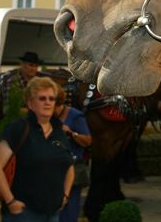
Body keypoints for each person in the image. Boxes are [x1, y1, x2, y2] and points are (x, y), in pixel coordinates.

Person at [0, 76, 74, 222]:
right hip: (23, 213)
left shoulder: (59, 131)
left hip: (53, 213)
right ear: (30, 103)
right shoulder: (18, 128)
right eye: (42, 98)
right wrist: (10, 202)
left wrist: (65, 194)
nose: (48, 102)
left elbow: (69, 166)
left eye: (51, 99)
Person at [54, 87, 92, 222]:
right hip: (53, 171)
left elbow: (88, 141)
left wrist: (71, 133)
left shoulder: (75, 116)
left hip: (73, 169)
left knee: (69, 211)